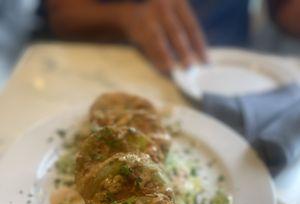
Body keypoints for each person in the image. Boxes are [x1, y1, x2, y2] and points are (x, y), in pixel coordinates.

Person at [38, 0, 300, 73]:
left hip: (231, 74)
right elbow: (62, 14)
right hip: (116, 67)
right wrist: (127, 16)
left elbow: (284, 11)